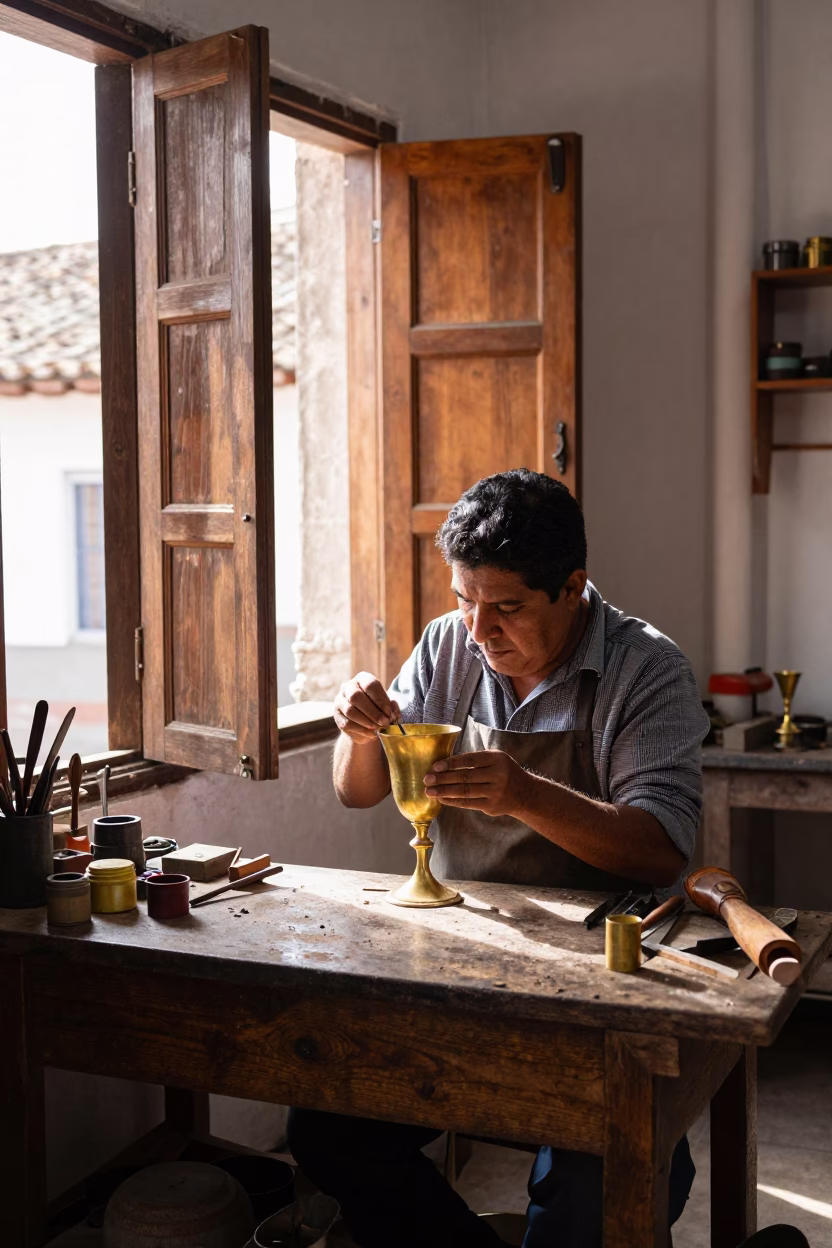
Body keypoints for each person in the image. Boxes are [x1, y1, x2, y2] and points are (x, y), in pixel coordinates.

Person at [289, 469, 710, 1248]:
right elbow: (359, 793)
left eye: (507, 609)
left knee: (601, 1178)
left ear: (573, 588)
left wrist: (528, 794)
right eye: (464, 600)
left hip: (600, 988)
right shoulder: (449, 647)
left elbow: (660, 850)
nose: (480, 631)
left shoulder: (646, 669)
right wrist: (354, 733)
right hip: (457, 965)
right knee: (326, 1129)